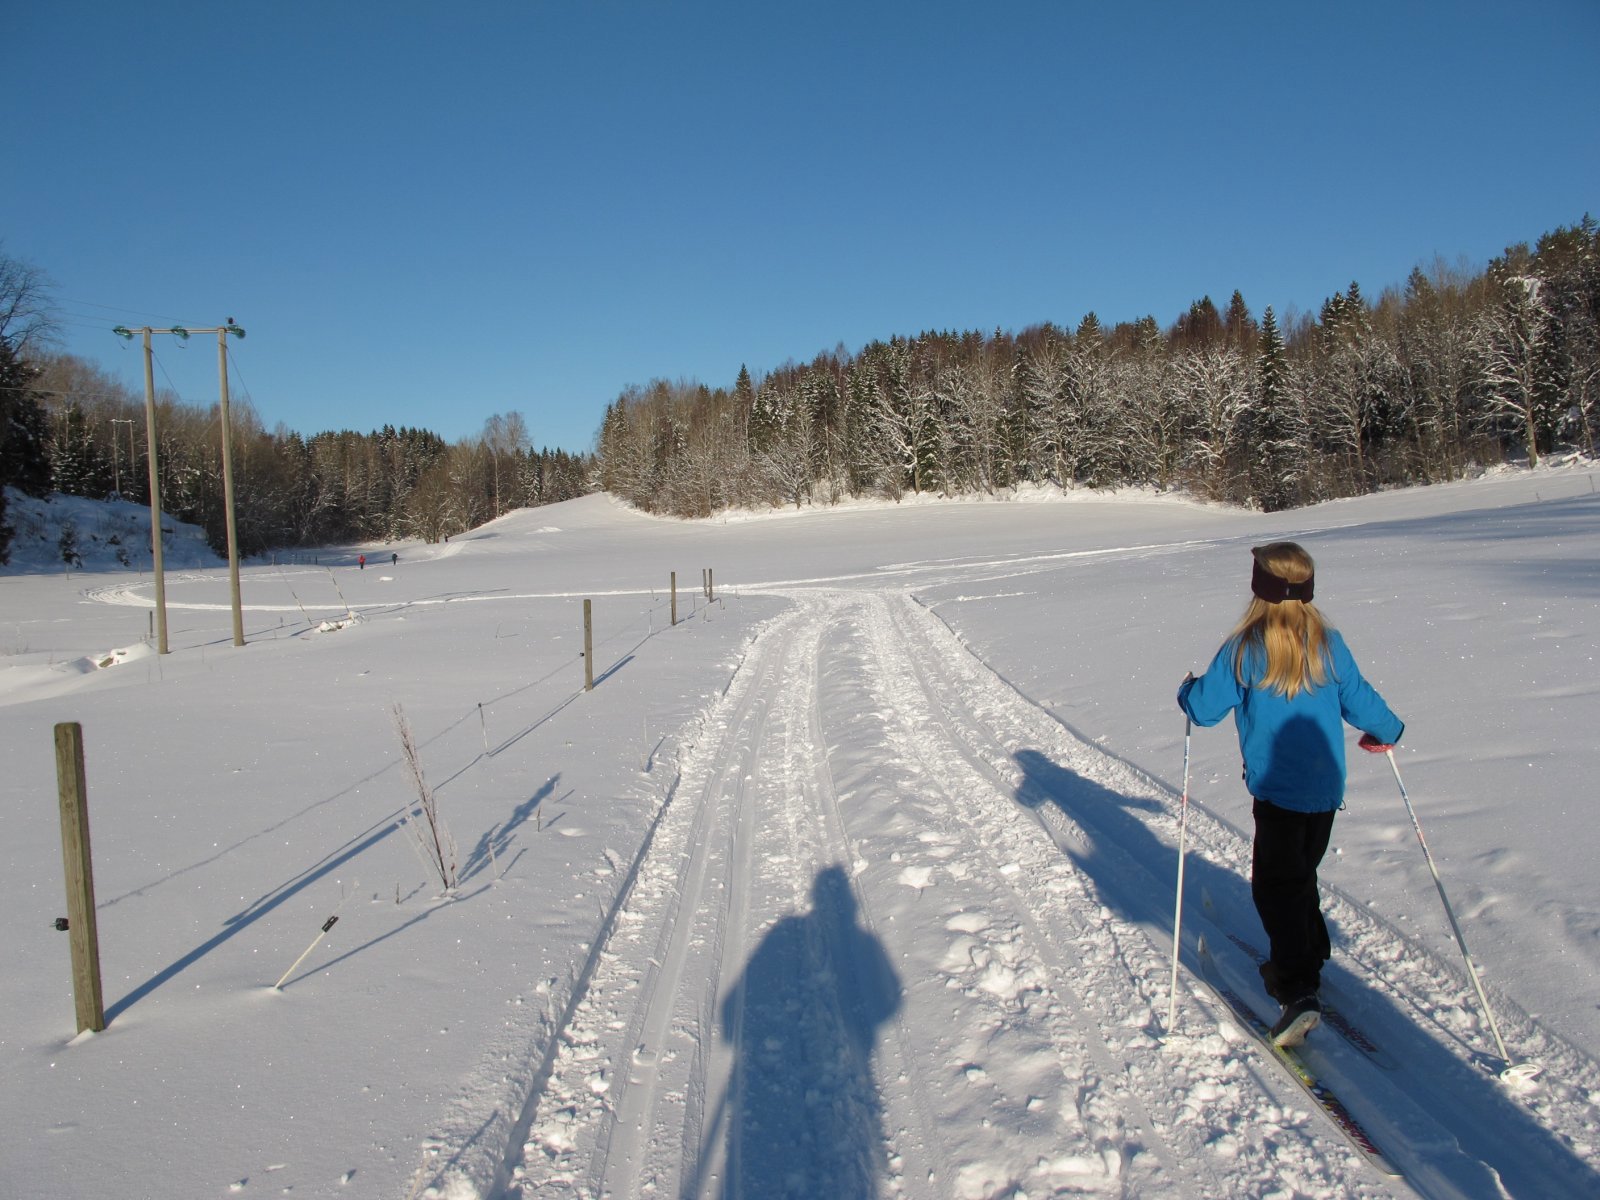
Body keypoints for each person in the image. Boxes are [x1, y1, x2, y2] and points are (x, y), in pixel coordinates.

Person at [1177, 542, 1403, 1047]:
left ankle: (1297, 986)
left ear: (1260, 587)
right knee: (1300, 871)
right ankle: (1312, 951)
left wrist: (1186, 692)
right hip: (1325, 788)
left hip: (1278, 791)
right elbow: (1360, 698)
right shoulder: (1328, 641)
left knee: (1275, 887)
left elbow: (1205, 709)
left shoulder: (1247, 647)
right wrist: (1388, 728)